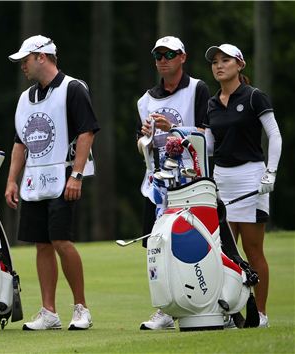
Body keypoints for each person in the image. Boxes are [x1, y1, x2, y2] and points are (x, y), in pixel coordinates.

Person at [5, 35, 99, 330]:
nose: (22, 65)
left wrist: (77, 175)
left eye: (26, 59)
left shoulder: (73, 88)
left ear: (42, 57)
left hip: (64, 176)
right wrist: (11, 180)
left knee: (61, 240)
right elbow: (20, 142)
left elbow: (87, 132)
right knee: (42, 244)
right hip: (35, 180)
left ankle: (81, 308)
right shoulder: (25, 98)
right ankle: (49, 312)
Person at [204, 44, 282, 328]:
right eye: (215, 62)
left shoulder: (253, 97)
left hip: (251, 176)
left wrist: (270, 173)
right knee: (225, 252)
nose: (218, 65)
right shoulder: (211, 104)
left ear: (240, 65)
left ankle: (259, 314)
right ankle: (231, 313)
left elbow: (274, 135)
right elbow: (209, 146)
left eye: (225, 60)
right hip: (222, 179)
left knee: (252, 250)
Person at [136, 36, 210, 330]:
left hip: (191, 182)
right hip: (156, 185)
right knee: (157, 245)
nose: (163, 59)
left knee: (193, 244)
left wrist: (175, 128)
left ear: (182, 57)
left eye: (169, 54)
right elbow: (143, 146)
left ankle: (200, 302)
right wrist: (145, 137)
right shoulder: (145, 100)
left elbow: (208, 137)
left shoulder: (197, 89)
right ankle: (165, 308)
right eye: (158, 55)